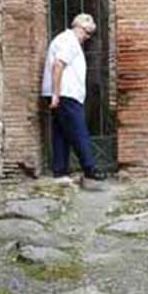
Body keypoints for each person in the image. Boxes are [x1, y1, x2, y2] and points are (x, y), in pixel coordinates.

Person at [42, 13, 105, 184]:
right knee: (78, 130)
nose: (87, 37)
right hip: (65, 94)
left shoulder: (64, 39)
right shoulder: (69, 41)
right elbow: (58, 65)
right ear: (79, 27)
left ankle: (60, 170)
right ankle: (89, 167)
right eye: (87, 33)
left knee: (61, 133)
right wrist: (56, 94)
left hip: (63, 94)